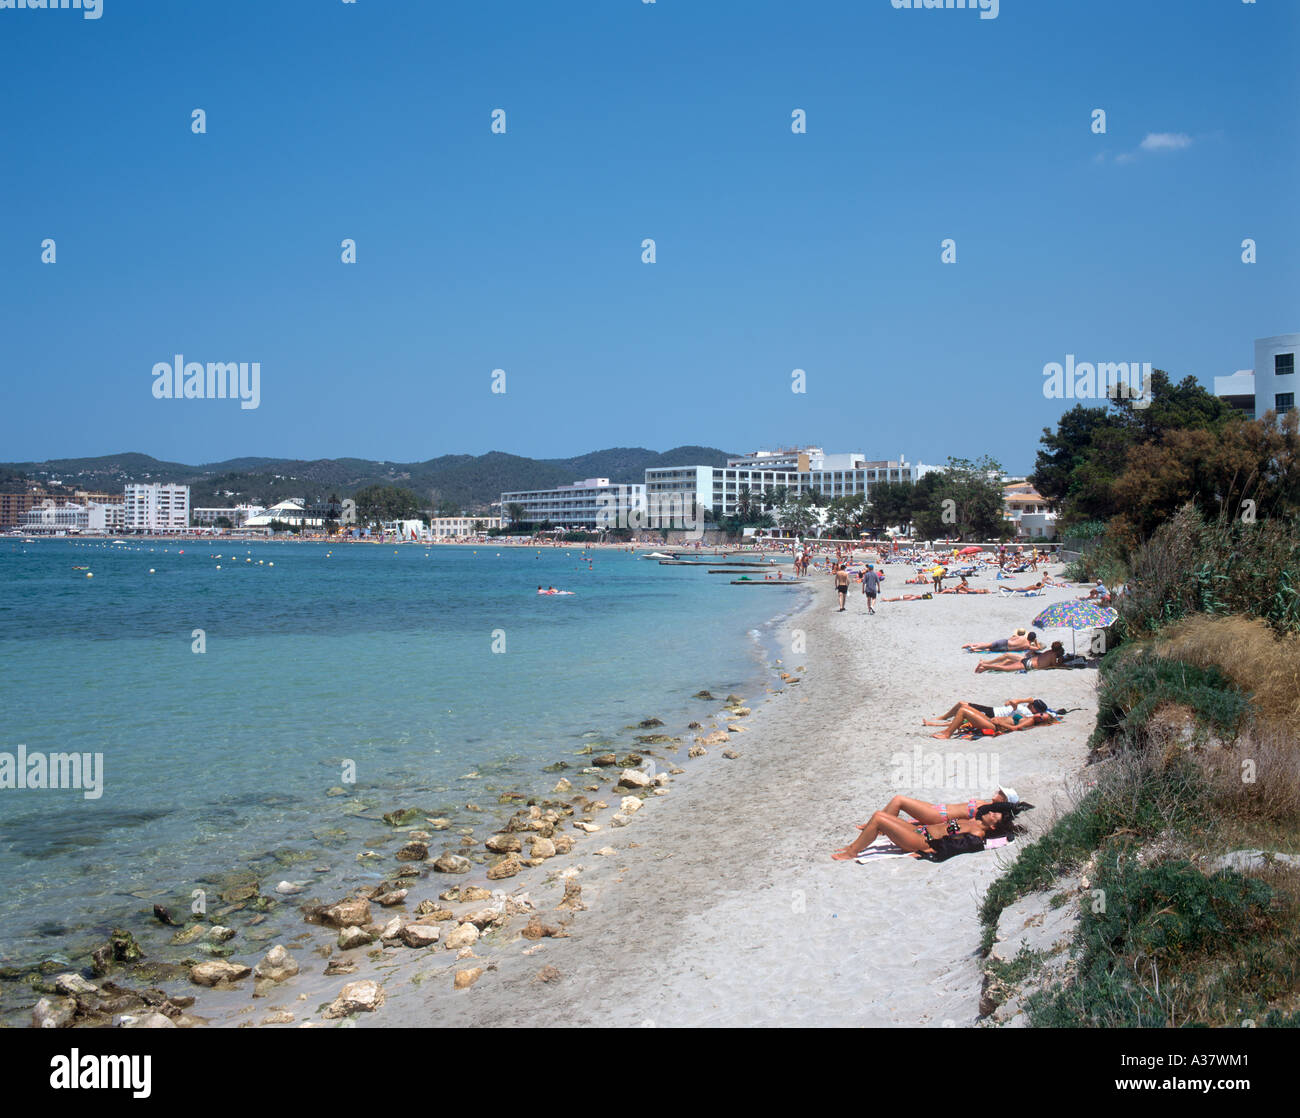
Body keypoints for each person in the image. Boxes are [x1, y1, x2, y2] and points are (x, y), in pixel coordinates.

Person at [832, 799, 1030, 861]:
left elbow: (956, 848)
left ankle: (852, 852)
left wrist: (926, 854)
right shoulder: (974, 820)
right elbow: (992, 807)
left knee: (878, 818)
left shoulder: (977, 834)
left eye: (996, 815)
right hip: (919, 831)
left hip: (921, 841)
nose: (992, 812)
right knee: (881, 815)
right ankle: (852, 846)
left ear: (994, 825)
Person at [975, 641, 1066, 673]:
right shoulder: (1053, 655)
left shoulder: (1048, 651)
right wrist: (1061, 661)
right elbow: (1055, 665)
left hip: (1028, 660)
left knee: (1007, 661)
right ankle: (985, 665)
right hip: (1029, 664)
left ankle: (985, 667)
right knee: (1005, 668)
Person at [962, 629, 1041, 653]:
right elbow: (1038, 648)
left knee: (988, 645)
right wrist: (1036, 641)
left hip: (1005, 642)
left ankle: (972, 645)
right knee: (989, 649)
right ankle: (975, 650)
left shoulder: (1021, 637)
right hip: (1005, 648)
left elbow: (1011, 638)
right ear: (1033, 639)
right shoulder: (1027, 646)